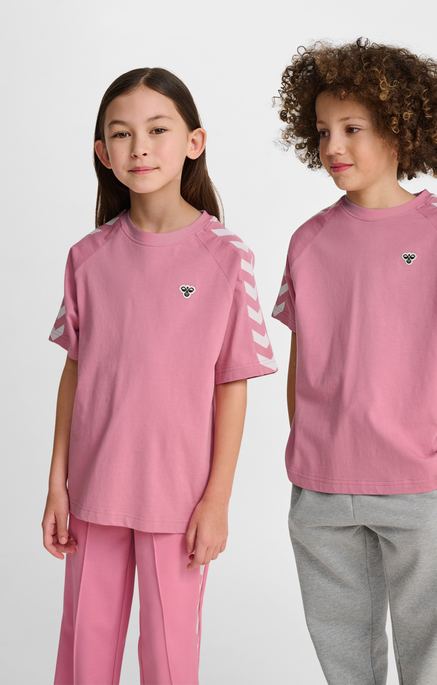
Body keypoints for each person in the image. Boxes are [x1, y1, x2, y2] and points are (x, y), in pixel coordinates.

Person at [43, 67, 277, 685]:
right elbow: (74, 374)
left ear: (194, 142)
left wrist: (217, 500)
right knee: (84, 653)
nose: (139, 147)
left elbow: (232, 385)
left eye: (157, 129)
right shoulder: (87, 257)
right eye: (121, 134)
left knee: (170, 660)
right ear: (103, 152)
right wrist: (57, 484)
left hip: (180, 498)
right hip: (93, 490)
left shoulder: (227, 256)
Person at [272, 38, 437, 685]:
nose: (332, 145)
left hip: (417, 486)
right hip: (321, 491)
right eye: (322, 131)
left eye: (352, 128)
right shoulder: (307, 242)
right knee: (345, 663)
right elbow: (301, 364)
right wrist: (310, 453)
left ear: (400, 128)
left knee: (428, 661)